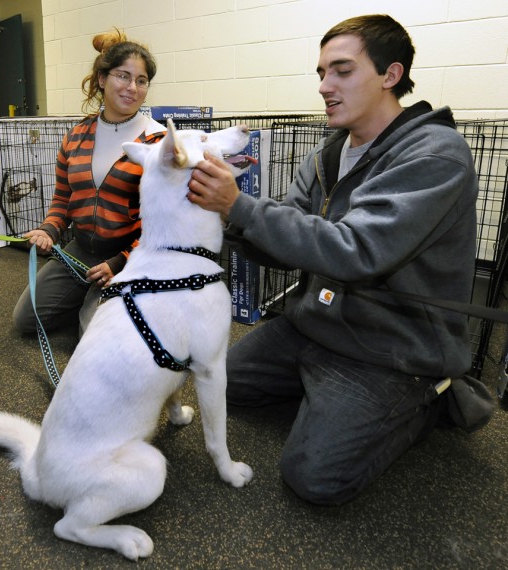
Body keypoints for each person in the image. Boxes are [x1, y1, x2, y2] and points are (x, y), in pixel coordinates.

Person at [187, 14, 478, 505]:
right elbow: (287, 239)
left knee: (314, 478)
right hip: (314, 323)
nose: (325, 86)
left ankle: (429, 399)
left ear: (390, 75)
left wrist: (239, 205)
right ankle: (326, 395)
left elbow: (357, 250)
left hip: (389, 350)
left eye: (342, 71)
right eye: (321, 73)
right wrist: (228, 216)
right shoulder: (327, 153)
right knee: (220, 383)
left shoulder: (436, 155)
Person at [13, 29, 165, 336]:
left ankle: (117, 302)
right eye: (123, 76)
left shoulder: (157, 141)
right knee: (26, 321)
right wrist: (48, 229)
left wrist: (118, 263)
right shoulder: (76, 136)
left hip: (131, 254)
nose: (132, 88)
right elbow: (62, 200)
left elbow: (162, 223)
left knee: (94, 337)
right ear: (101, 79)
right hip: (81, 248)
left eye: (141, 80)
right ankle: (91, 298)